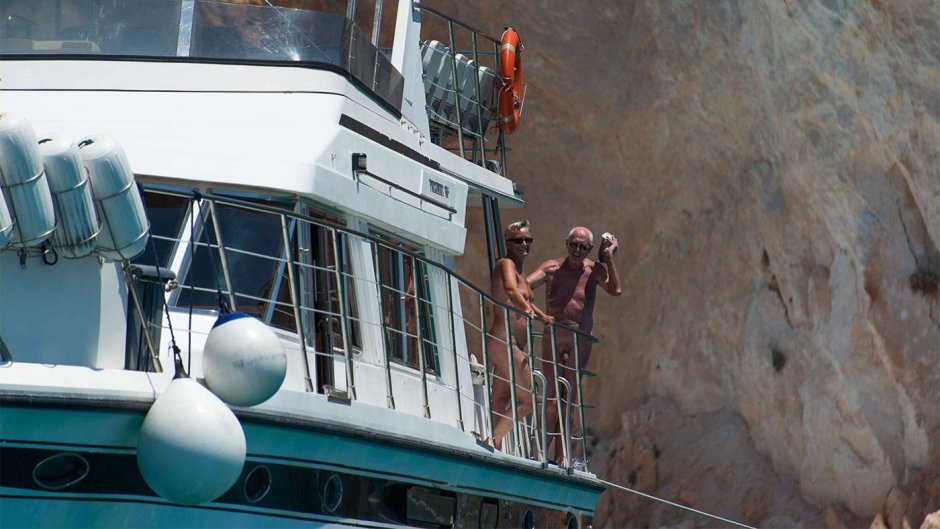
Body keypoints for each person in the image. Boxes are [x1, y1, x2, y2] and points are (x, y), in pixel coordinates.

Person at [528, 227, 621, 462]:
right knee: (551, 399)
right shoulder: (551, 268)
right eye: (573, 244)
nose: (577, 250)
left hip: (579, 339)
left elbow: (615, 290)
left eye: (582, 246)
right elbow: (523, 287)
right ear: (566, 243)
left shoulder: (593, 270)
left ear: (590, 249)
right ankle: (538, 454)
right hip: (554, 336)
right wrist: (538, 313)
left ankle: (561, 458)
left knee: (568, 400)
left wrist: (608, 258)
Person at [485, 220, 553, 450]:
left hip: (512, 344)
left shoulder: (522, 272)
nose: (524, 244)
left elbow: (526, 299)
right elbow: (510, 289)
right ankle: (493, 440)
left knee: (501, 398)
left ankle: (494, 449)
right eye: (518, 240)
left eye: (527, 240)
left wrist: (543, 316)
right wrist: (525, 308)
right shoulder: (506, 263)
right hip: (504, 340)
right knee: (528, 401)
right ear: (508, 243)